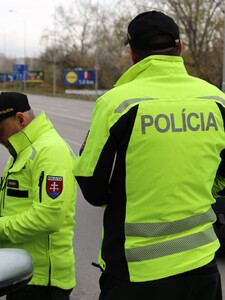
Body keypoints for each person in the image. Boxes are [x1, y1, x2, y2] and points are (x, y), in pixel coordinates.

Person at [74, 10, 225, 300]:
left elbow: (94, 190)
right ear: (180, 48)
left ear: (132, 54)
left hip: (136, 275)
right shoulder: (216, 100)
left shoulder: (116, 103)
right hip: (202, 268)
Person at [0, 92, 77, 300]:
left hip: (43, 281)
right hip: (20, 273)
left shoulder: (49, 151)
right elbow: (14, 205)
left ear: (20, 119)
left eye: (0, 130)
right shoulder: (23, 151)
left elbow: (48, 217)